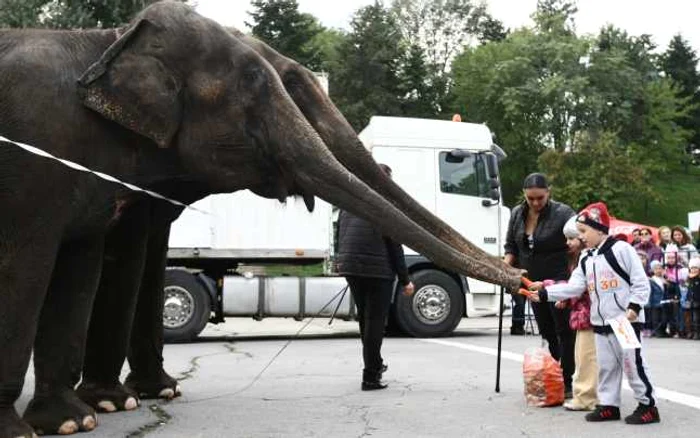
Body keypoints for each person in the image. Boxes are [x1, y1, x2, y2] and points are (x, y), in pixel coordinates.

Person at [526, 202, 660, 425]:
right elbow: (574, 287)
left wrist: (634, 307)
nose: (581, 237)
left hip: (625, 321)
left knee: (632, 364)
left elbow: (640, 282)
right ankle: (609, 405)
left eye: (583, 231)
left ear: (599, 228)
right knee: (606, 366)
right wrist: (544, 294)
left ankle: (648, 405)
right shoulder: (586, 258)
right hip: (599, 322)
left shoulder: (622, 250)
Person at [336, 163, 414, 391]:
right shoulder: (384, 204)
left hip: (352, 268)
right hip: (377, 271)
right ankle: (370, 376)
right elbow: (394, 245)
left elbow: (340, 232)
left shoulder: (350, 200)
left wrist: (343, 262)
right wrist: (406, 279)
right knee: (375, 324)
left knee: (365, 321)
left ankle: (375, 364)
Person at [504, 172, 576, 397]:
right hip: (532, 282)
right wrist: (505, 270)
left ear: (548, 193)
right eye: (530, 198)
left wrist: (573, 275)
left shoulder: (563, 213)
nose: (535, 203)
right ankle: (553, 374)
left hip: (557, 279)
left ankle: (567, 380)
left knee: (564, 330)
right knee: (546, 330)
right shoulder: (517, 213)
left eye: (540, 198)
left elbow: (578, 242)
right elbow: (511, 246)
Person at [558, 217, 598, 411]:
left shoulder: (587, 259)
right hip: (585, 315)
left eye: (571, 238)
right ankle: (585, 395)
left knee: (586, 358)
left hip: (588, 316)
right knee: (583, 358)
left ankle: (586, 398)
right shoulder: (583, 258)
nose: (568, 243)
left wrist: (550, 291)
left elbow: (578, 289)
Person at [687, 257, 700, 340]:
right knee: (691, 318)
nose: (694, 270)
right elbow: (688, 290)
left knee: (696, 318)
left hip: (698, 301)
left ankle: (697, 333)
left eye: (696, 268)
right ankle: (692, 332)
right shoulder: (689, 279)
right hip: (691, 301)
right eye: (692, 268)